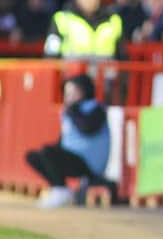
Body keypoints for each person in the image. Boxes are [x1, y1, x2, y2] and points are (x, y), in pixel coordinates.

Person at [26, 74, 111, 209]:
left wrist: (73, 111)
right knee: (35, 155)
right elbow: (64, 140)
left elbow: (87, 127)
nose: (68, 97)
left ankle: (61, 190)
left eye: (73, 92)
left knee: (48, 152)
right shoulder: (71, 111)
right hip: (72, 158)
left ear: (84, 91)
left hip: (89, 163)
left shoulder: (96, 108)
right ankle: (59, 188)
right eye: (67, 93)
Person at [44, 0, 125, 60]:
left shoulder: (113, 21)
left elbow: (122, 58)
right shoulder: (62, 19)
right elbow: (50, 56)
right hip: (72, 73)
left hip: (106, 73)